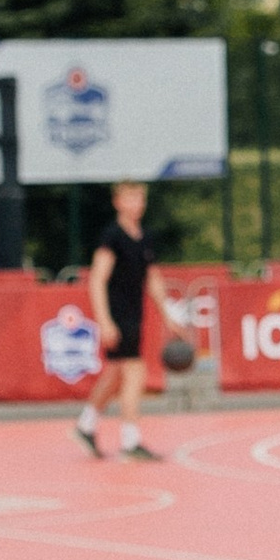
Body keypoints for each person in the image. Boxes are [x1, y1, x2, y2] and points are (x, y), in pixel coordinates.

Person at [77, 178, 184, 462]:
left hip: (136, 314)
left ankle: (86, 424)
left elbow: (152, 278)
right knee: (134, 372)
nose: (137, 204)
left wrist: (167, 315)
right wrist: (104, 320)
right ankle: (130, 440)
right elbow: (97, 280)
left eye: (140, 199)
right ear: (118, 202)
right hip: (118, 314)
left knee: (114, 375)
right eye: (131, 198)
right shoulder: (112, 237)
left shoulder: (144, 237)